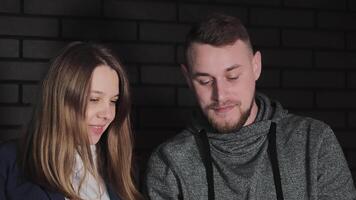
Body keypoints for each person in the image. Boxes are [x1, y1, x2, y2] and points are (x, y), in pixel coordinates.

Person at [144, 13, 356, 200]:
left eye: (233, 76)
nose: (221, 95)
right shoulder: (169, 163)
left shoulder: (314, 141)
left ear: (256, 67)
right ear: (188, 79)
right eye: (206, 81)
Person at [0, 42, 142, 200]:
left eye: (113, 101)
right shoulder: (9, 161)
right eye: (94, 99)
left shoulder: (123, 170)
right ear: (61, 99)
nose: (107, 114)